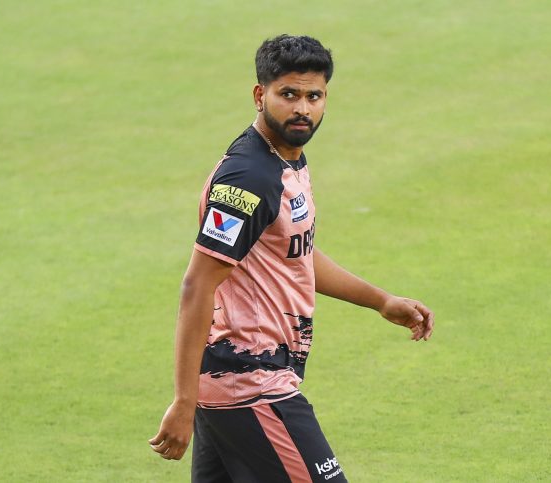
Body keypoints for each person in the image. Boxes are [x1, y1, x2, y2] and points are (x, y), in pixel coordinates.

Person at [149, 34, 434, 483]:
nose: (302, 108)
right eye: (288, 95)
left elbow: (293, 253)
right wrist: (183, 401)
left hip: (237, 382)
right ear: (260, 95)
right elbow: (198, 284)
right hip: (250, 385)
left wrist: (380, 300)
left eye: (313, 96)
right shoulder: (248, 178)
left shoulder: (286, 159)